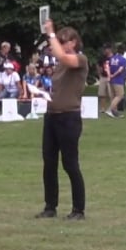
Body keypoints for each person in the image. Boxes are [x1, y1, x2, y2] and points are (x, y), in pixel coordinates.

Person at [36, 16, 90, 220]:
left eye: (63, 40)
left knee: (70, 164)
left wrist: (50, 33)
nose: (58, 44)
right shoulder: (59, 66)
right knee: (49, 163)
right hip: (52, 116)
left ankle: (78, 209)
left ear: (73, 42)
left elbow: (62, 56)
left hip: (69, 118)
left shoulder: (80, 60)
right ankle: (50, 206)